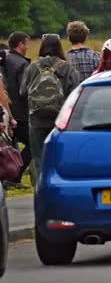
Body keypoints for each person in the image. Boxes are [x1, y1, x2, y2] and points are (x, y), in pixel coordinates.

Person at [20, 34, 80, 181]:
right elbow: (76, 94)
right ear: (60, 47)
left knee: (40, 161)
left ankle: (42, 191)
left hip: (36, 121)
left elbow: (22, 92)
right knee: (60, 160)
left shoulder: (32, 67)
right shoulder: (67, 68)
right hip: (60, 122)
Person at [2, 32, 31, 183]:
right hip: (19, 112)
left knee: (9, 145)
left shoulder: (5, 59)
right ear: (21, 45)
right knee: (32, 143)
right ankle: (15, 176)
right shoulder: (22, 64)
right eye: (27, 43)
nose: (28, 46)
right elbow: (24, 90)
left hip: (6, 111)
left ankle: (8, 177)